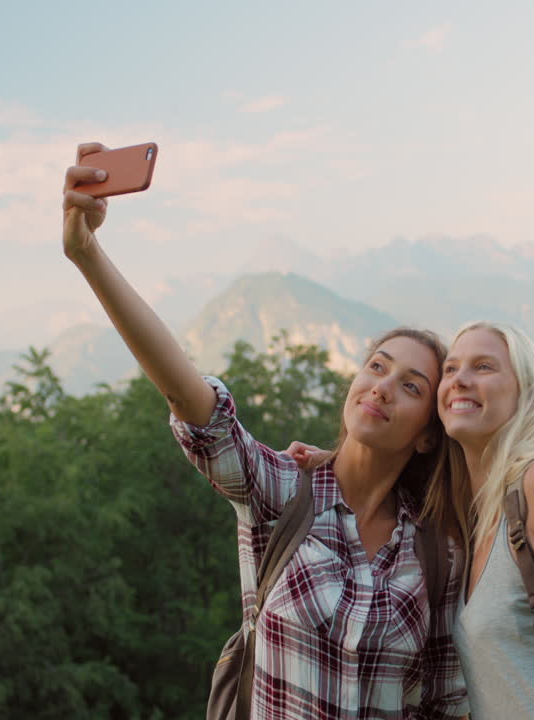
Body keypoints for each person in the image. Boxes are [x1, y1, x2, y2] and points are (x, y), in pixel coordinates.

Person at [61, 142, 468, 719]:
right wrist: (87, 254)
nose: (382, 386)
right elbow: (191, 400)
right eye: (377, 366)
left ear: (427, 434)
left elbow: (445, 704)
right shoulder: (283, 492)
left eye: (410, 386)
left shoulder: (436, 554)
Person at [287, 322, 534, 720]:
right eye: (451, 369)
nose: (460, 380)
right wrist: (331, 464)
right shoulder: (464, 518)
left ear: (525, 393)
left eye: (484, 367)